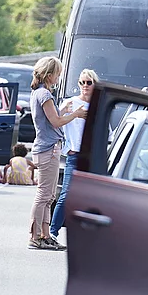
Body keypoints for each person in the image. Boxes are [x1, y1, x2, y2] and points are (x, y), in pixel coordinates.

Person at [27, 56, 87, 250]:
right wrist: (75, 115)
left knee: (49, 195)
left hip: (48, 148)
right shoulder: (44, 94)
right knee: (44, 194)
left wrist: (63, 110)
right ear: (49, 74)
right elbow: (56, 122)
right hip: (48, 149)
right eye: (58, 74)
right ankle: (36, 236)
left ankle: (45, 235)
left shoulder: (39, 93)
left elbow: (51, 118)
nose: (58, 77)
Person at [50, 69, 98, 238]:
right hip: (73, 156)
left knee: (90, 199)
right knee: (66, 195)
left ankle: (85, 235)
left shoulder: (98, 106)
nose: (85, 86)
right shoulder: (70, 103)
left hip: (91, 157)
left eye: (89, 82)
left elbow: (107, 133)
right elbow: (55, 121)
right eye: (82, 82)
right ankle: (53, 231)